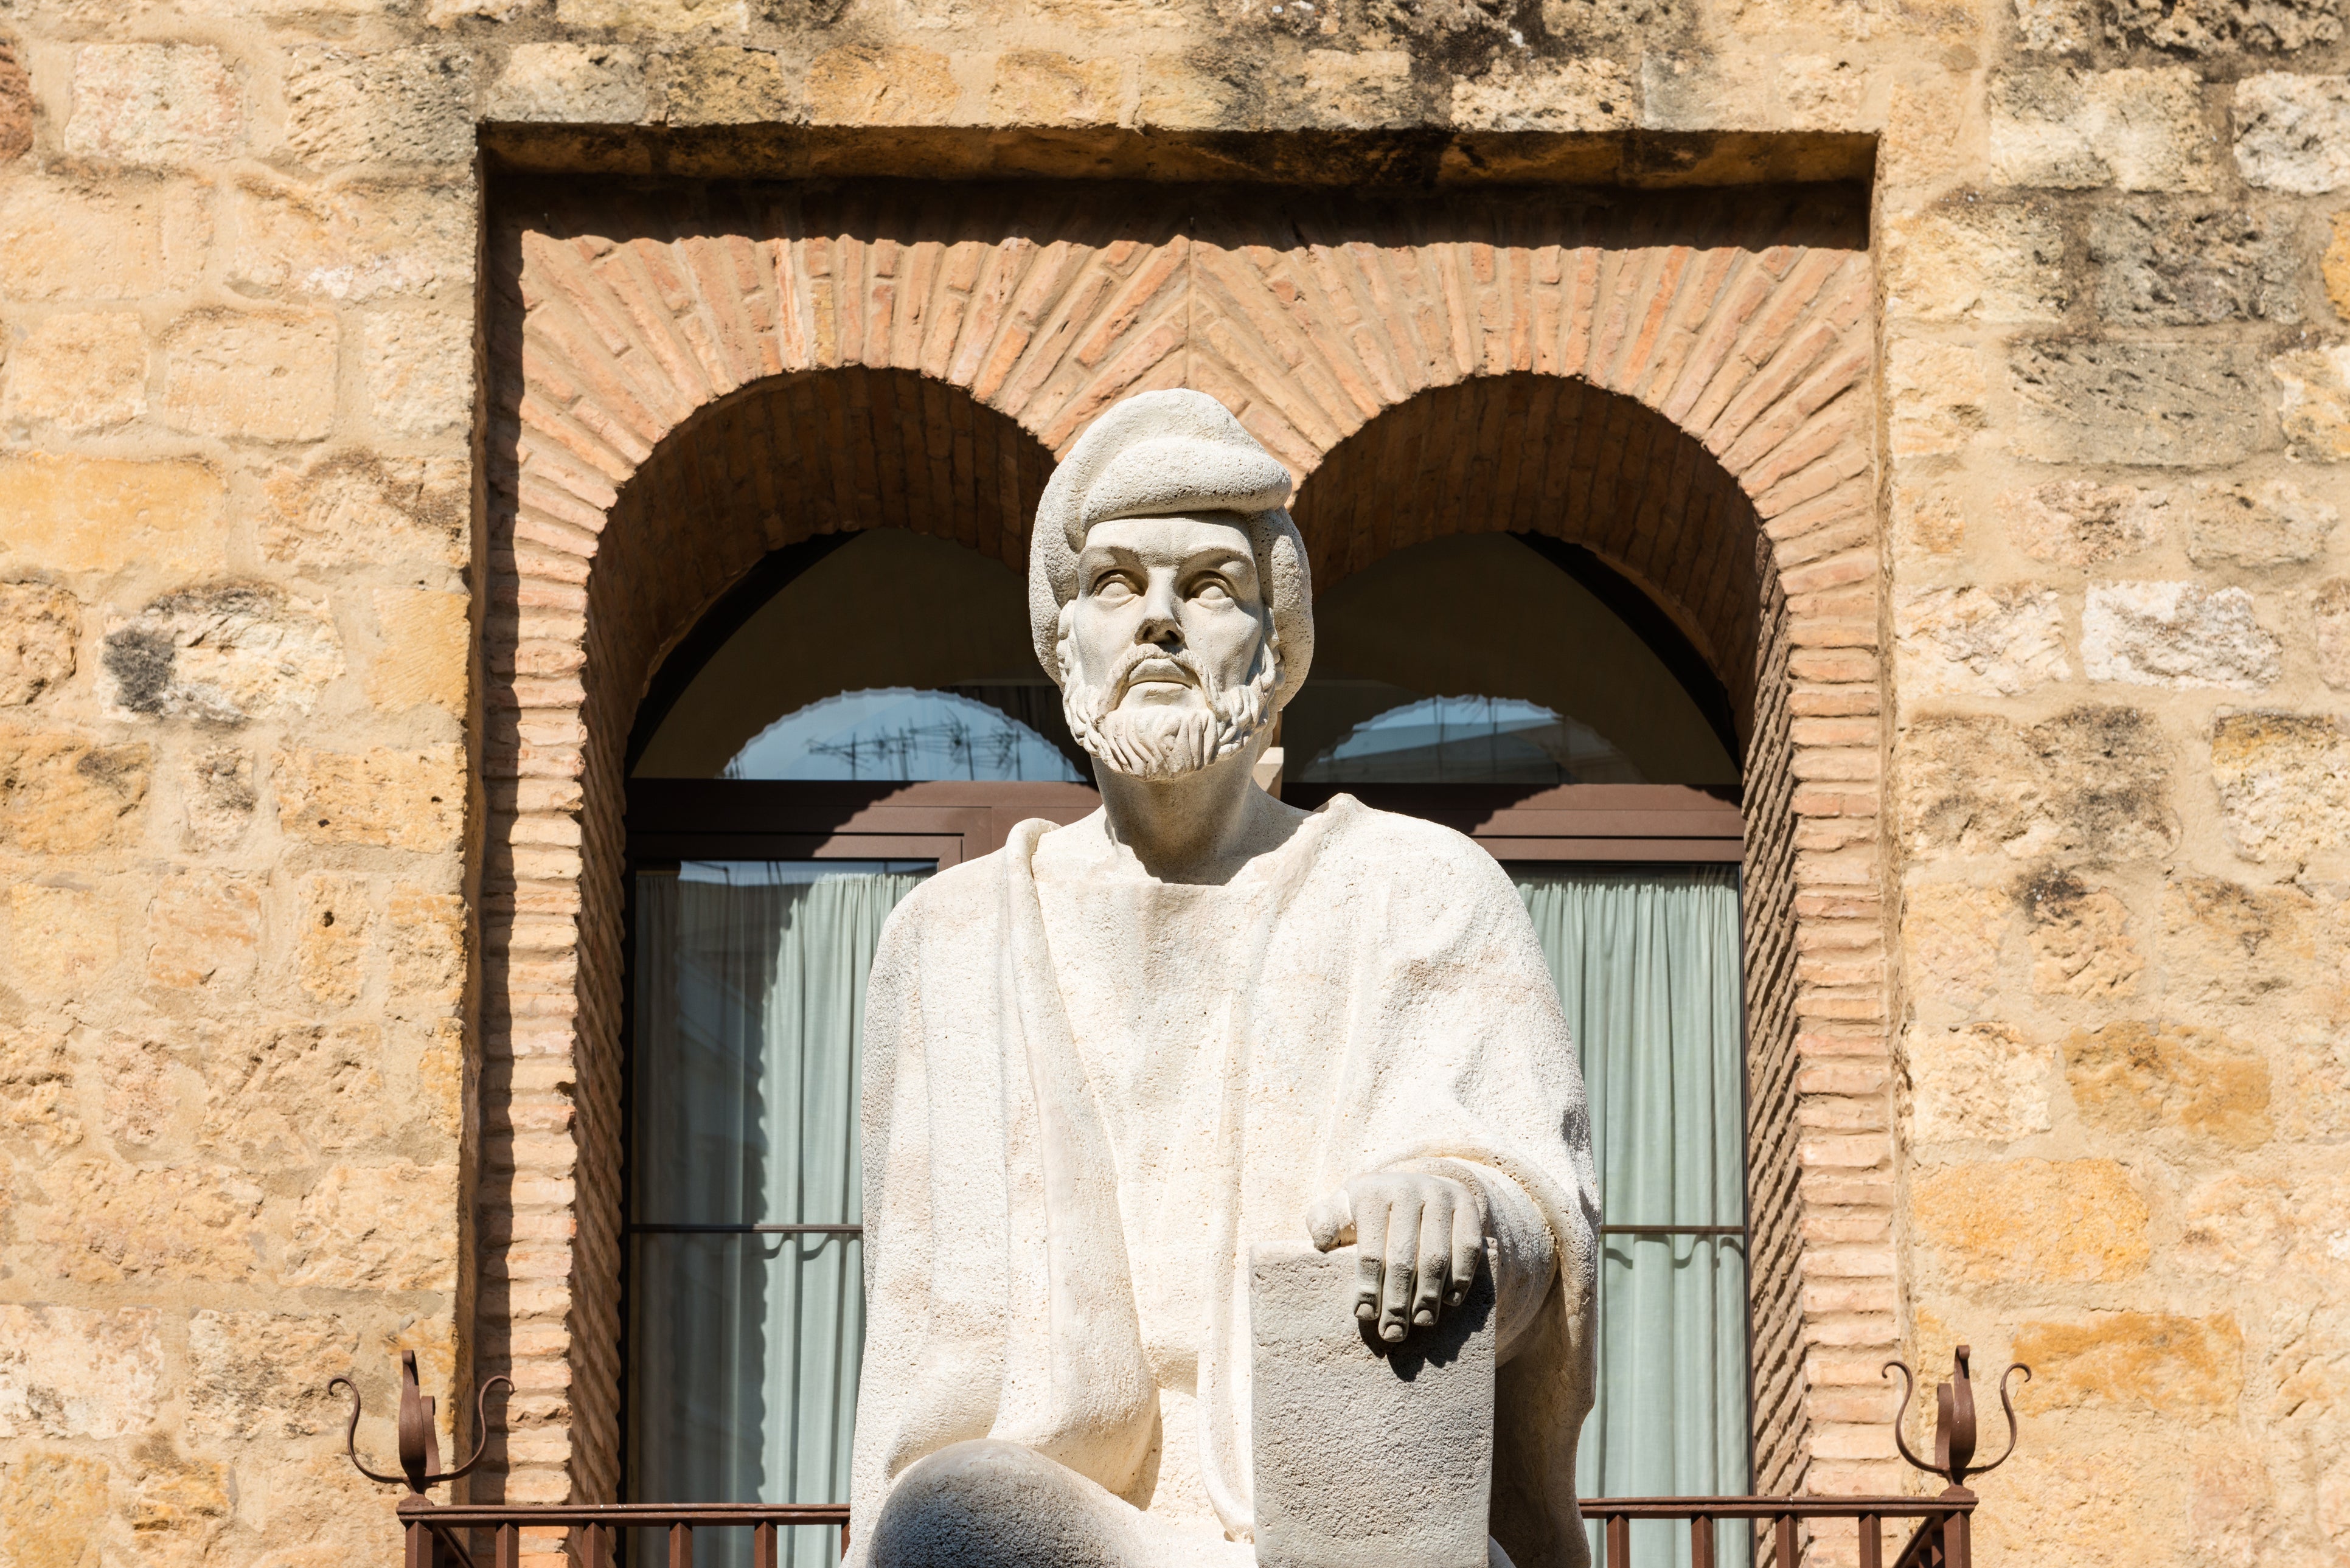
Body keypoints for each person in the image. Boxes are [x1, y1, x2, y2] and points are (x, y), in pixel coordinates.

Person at [849, 390, 1599, 1568]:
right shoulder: (947, 937)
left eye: (1207, 586)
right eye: (1114, 586)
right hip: (1073, 1534)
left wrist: (1470, 1204)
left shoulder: (1418, 887)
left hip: (1352, 1513)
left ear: (1275, 646)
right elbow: (906, 1349)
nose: (1158, 621)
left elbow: (1538, 1232)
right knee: (952, 1520)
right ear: (1066, 644)